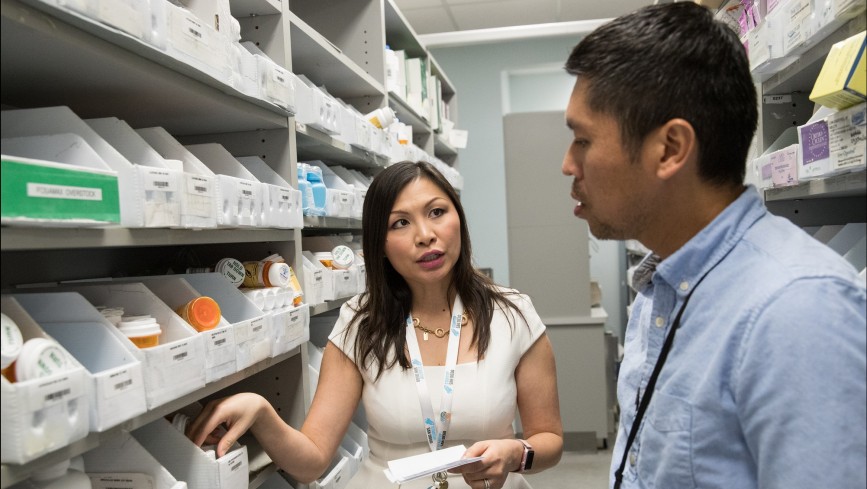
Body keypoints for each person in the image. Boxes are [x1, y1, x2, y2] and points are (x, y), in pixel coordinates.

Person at [561, 3, 866, 489]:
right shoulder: (661, 287)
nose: (567, 165)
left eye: (582, 141)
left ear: (669, 149)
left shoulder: (797, 310)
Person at [188, 161, 563, 489]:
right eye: (400, 223)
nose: (425, 235)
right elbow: (312, 460)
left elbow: (549, 439)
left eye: (436, 212)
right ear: (379, 244)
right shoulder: (361, 324)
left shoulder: (513, 314)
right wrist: (261, 411)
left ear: (458, 219)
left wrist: (516, 452)